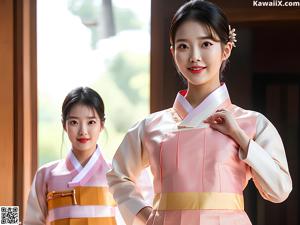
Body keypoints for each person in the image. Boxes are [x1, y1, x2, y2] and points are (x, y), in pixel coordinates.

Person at [106, 1, 292, 225]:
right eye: (183, 46)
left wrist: (240, 137)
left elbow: (279, 190)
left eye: (205, 44)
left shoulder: (252, 123)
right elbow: (118, 175)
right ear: (173, 53)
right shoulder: (150, 127)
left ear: (225, 50)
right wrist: (145, 217)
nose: (194, 56)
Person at [24, 87, 117, 225]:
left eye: (91, 122)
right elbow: (32, 222)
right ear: (64, 125)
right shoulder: (45, 174)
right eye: (74, 122)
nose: (83, 131)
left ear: (102, 125)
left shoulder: (118, 174)